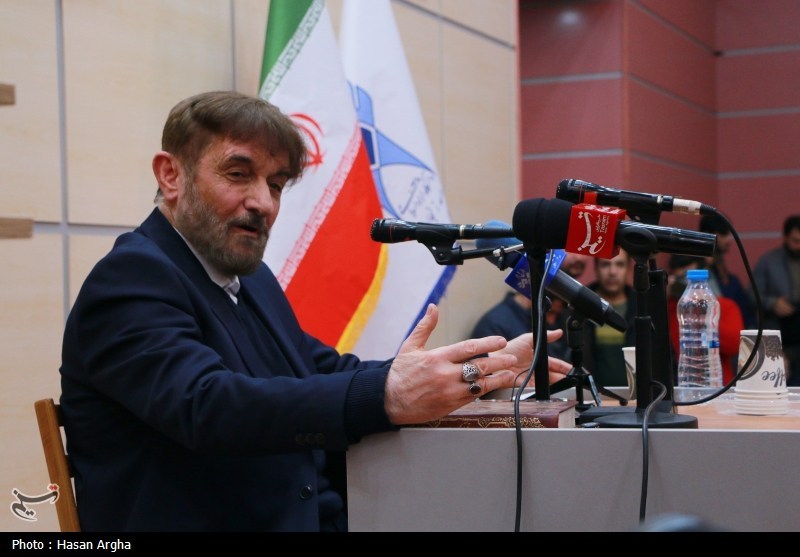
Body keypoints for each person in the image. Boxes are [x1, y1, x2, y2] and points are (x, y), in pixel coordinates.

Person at [58, 91, 570, 532]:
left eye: (276, 184)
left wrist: (467, 373)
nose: (263, 203)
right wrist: (389, 394)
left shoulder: (251, 280)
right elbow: (208, 406)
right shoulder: (131, 278)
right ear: (171, 175)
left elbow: (321, 369)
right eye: (238, 174)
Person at [666, 254, 745, 385]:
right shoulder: (673, 309)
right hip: (683, 383)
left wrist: (702, 314)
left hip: (717, 384)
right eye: (680, 279)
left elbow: (735, 344)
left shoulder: (725, 306)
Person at [752, 215, 800, 386]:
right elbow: (752, 293)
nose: (799, 246)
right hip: (777, 325)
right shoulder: (768, 261)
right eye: (795, 241)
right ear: (785, 237)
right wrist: (772, 303)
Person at [580, 249, 636, 388]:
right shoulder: (580, 306)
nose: (612, 272)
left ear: (628, 269)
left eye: (620, 265)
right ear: (596, 269)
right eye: (605, 265)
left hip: (636, 395)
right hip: (590, 394)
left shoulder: (642, 307)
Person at [699, 214, 756, 328]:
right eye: (723, 234)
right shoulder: (694, 264)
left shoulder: (725, 272)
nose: (728, 240)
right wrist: (702, 264)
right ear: (709, 235)